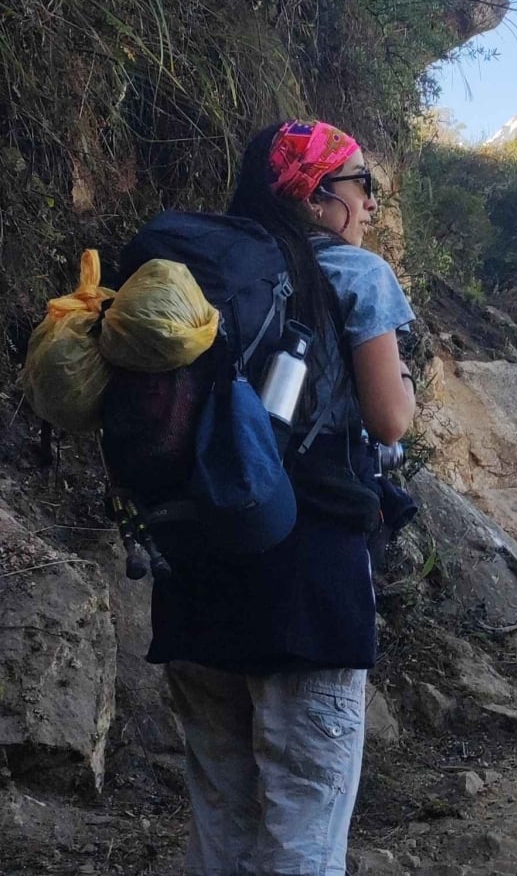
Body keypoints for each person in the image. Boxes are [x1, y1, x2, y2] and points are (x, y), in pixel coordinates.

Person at [147, 120, 417, 875]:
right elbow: (390, 419)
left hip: (195, 579)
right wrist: (405, 386)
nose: (370, 203)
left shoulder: (201, 273)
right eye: (361, 184)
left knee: (222, 835)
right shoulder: (356, 274)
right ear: (317, 196)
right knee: (303, 835)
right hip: (307, 588)